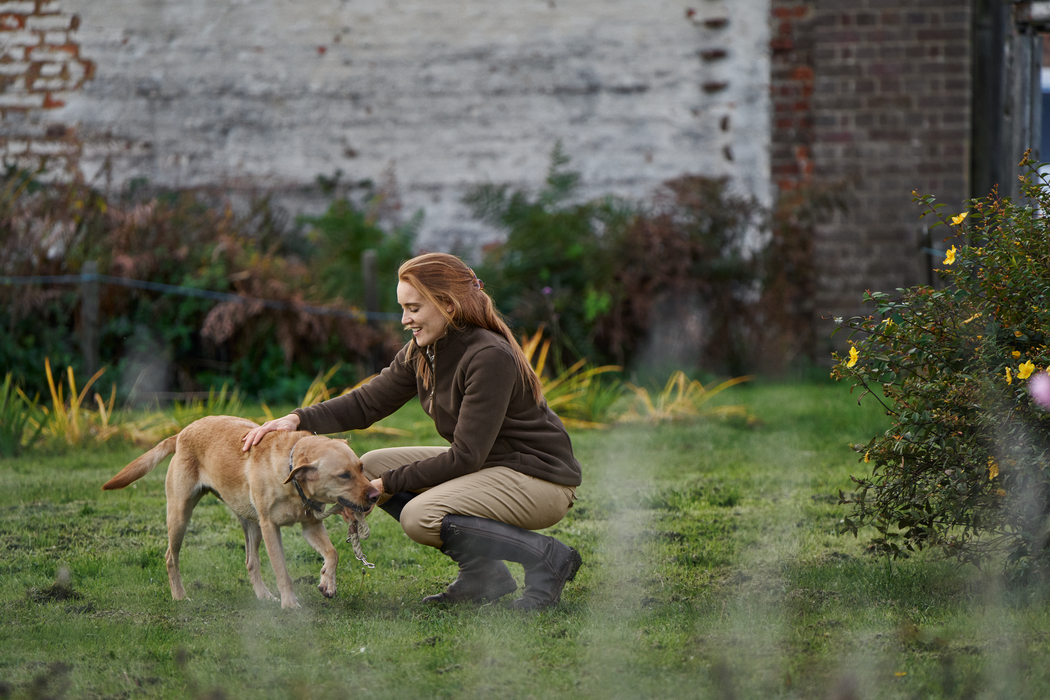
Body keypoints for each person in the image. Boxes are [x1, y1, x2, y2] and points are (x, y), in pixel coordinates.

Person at [242, 252, 582, 610]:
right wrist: (298, 419)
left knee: (419, 516)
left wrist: (388, 485)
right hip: (492, 465)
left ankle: (547, 558)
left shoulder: (488, 356)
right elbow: (367, 403)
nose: (405, 320)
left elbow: (465, 456)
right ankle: (483, 574)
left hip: (539, 479)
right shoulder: (425, 350)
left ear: (448, 305)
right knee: (368, 467)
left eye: (414, 308)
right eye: (403, 309)